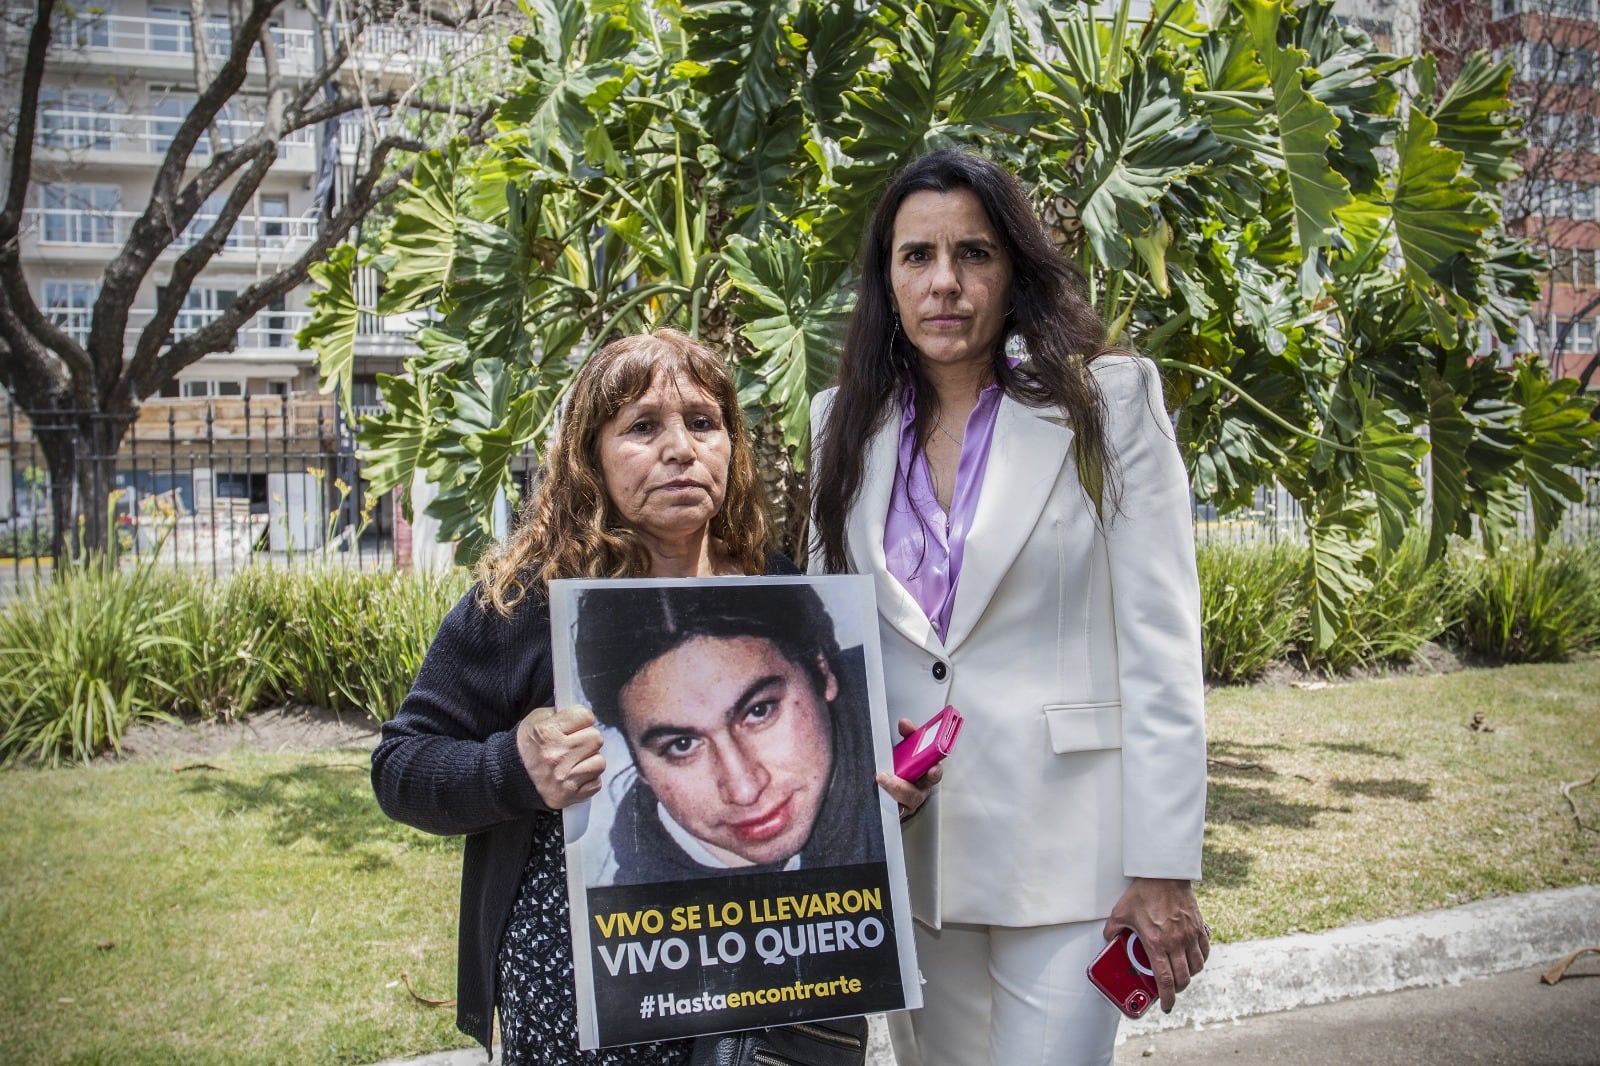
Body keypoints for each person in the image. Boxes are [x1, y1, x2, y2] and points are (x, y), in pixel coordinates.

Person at [372, 328, 920, 1065]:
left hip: (780, 1000)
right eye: (640, 427)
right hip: (584, 1000)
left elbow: (850, 792)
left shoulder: (778, 588)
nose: (680, 448)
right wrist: (513, 770)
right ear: (588, 454)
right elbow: (402, 766)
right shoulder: (525, 604)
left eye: (702, 423)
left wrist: (897, 790)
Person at [808, 149, 1210, 1066]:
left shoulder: (1106, 404)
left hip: (1073, 859)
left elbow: (1161, 648)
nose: (944, 283)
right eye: (916, 257)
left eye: (973, 254)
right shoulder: (842, 422)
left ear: (1013, 269)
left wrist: (1162, 867)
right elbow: (836, 640)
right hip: (918, 864)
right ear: (887, 279)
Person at [571, 582, 884, 886]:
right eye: (682, 745)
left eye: (759, 711)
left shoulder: (904, 707)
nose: (744, 790)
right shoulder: (643, 915)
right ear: (639, 764)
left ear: (822, 670)